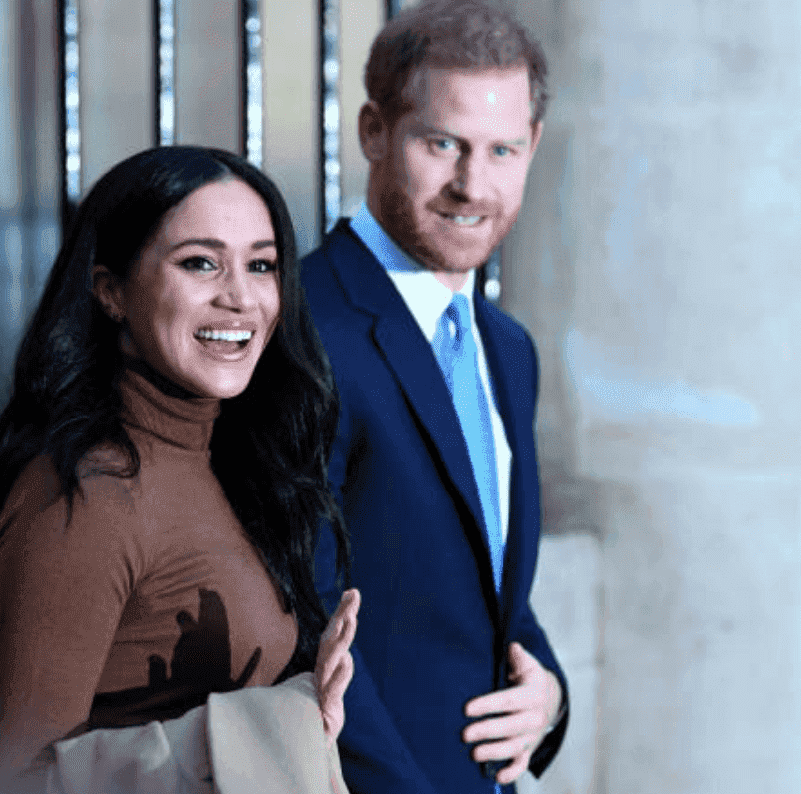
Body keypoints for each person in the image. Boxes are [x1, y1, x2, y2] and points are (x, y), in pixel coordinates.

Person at [0, 146, 359, 794]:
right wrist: (242, 731)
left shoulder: (228, 459)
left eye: (261, 265)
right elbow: (13, 779)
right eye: (200, 262)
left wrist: (301, 710)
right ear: (110, 289)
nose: (239, 297)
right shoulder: (87, 497)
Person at [302, 2, 567, 792]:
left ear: (534, 147)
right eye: (441, 143)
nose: (471, 185)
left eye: (502, 150)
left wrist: (546, 691)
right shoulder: (304, 324)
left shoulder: (507, 349)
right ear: (374, 132)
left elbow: (483, 589)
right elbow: (297, 614)